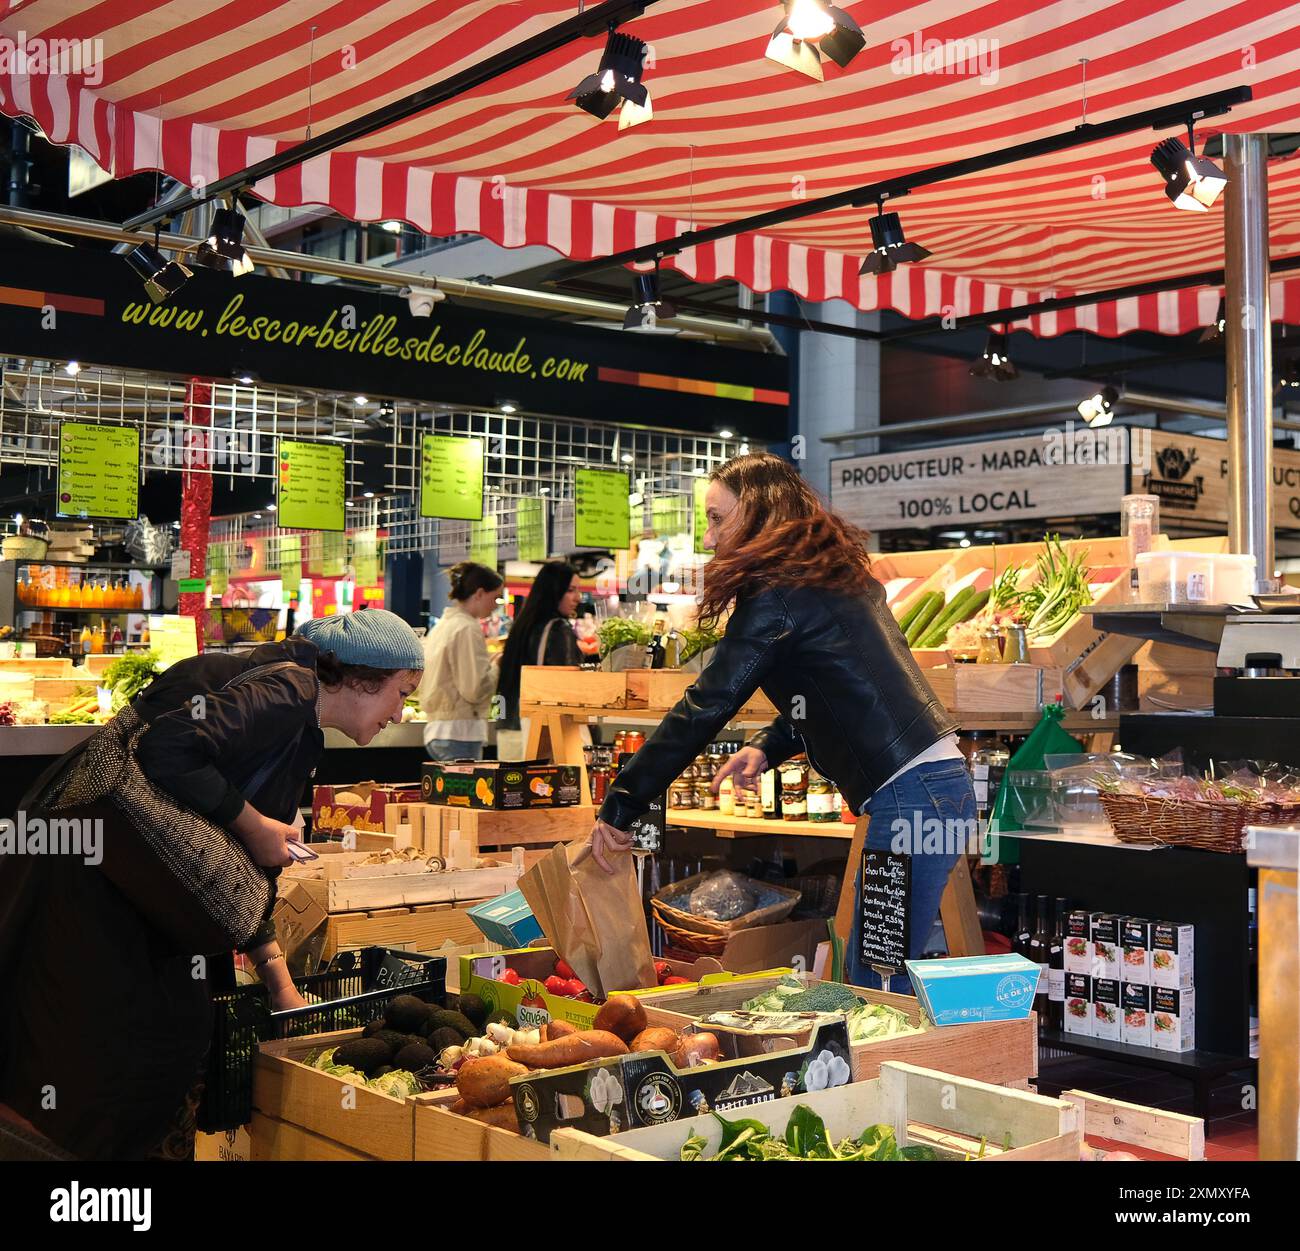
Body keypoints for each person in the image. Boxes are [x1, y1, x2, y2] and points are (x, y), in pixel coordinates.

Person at [0, 609, 424, 1160]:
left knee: (146, 1048)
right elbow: (169, 749)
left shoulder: (290, 701)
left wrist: (276, 978)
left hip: (123, 883)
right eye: (402, 692)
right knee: (119, 1063)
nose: (400, 712)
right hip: (106, 893)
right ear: (366, 678)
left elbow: (221, 861)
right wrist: (255, 823)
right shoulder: (290, 690)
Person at [589, 452, 974, 990]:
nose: (708, 536)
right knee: (876, 971)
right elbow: (837, 688)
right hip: (929, 789)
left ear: (759, 510)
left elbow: (707, 704)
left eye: (718, 517)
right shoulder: (827, 577)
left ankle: (916, 1070)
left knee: (877, 981)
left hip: (912, 796)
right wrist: (768, 747)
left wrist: (623, 803)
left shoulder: (777, 594)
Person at [418, 561, 504, 762]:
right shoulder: (467, 628)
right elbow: (474, 689)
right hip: (461, 732)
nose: (495, 605)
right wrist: (497, 666)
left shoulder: (444, 625)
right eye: (495, 597)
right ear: (480, 593)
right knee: (466, 794)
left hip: (438, 730)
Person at [495, 560, 583, 732]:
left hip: (510, 726)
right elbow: (567, 684)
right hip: (541, 730)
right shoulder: (559, 629)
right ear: (554, 591)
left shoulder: (523, 627)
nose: (578, 597)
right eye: (570, 590)